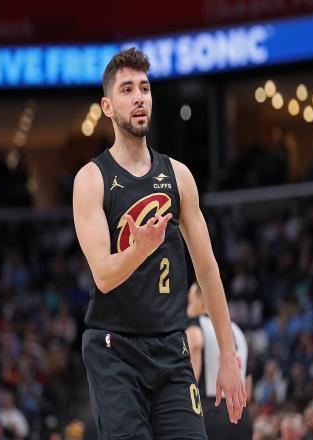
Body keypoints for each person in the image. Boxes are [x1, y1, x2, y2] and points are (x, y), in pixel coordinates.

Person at [73, 47, 245, 440]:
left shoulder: (179, 176)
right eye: (127, 89)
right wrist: (140, 249)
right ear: (107, 106)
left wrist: (227, 357)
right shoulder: (91, 179)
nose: (138, 97)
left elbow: (208, 270)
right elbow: (103, 276)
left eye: (144, 88)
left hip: (171, 346)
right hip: (114, 349)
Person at [185, 282, 253, 440]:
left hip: (210, 413)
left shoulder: (197, 323)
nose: (187, 309)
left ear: (203, 301)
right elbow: (248, 388)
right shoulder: (238, 331)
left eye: (190, 302)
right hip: (242, 418)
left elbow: (195, 344)